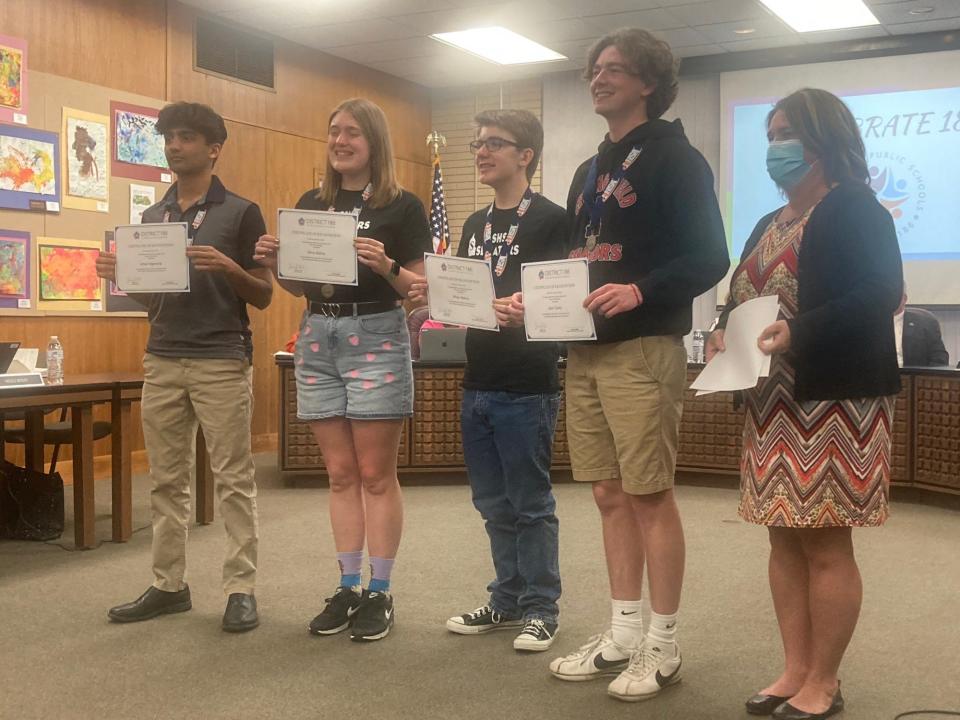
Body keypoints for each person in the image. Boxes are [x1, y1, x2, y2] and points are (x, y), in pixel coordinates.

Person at [707, 88, 902, 719]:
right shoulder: (769, 222)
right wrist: (721, 329)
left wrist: (802, 330)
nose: (773, 147)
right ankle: (794, 670)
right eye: (768, 135)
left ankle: (826, 680)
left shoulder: (855, 208)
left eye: (785, 133)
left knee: (825, 544)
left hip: (837, 403)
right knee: (783, 542)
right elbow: (740, 297)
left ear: (823, 140)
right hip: (772, 404)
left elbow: (882, 293)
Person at [546, 28, 729, 701]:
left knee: (649, 494)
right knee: (605, 492)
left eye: (614, 69)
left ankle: (663, 643)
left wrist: (640, 289)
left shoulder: (677, 160)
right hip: (586, 350)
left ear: (648, 82)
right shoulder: (588, 170)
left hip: (643, 346)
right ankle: (622, 631)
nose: (598, 78)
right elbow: (580, 254)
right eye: (594, 68)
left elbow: (711, 257)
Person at [254, 98, 430, 642]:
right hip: (317, 335)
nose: (340, 140)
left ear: (374, 142)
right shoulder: (313, 203)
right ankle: (348, 584)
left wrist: (388, 265)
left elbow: (420, 293)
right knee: (338, 474)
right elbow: (300, 287)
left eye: (352, 132)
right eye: (333, 131)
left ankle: (380, 591)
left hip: (376, 333)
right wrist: (274, 264)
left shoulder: (402, 207)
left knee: (376, 475)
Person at [97, 101, 273, 632]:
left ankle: (241, 588)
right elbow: (155, 303)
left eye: (187, 137)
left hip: (220, 357)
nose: (175, 146)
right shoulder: (154, 218)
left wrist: (227, 266)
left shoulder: (241, 212)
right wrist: (121, 278)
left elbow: (264, 295)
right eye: (170, 138)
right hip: (163, 357)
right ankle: (168, 584)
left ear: (213, 149)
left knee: (233, 479)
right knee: (166, 480)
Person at [411, 110, 568, 651]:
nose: (481, 152)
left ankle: (541, 608)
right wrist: (430, 296)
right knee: (492, 503)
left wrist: (528, 307)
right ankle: (506, 599)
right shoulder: (476, 223)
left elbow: (564, 299)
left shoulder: (552, 219)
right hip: (477, 379)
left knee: (530, 503)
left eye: (494, 144)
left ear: (525, 155)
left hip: (528, 383)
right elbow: (464, 295)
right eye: (477, 144)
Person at [894, 288, 949, 367]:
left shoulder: (926, 323)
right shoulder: (872, 322)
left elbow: (939, 359)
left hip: (912, 376)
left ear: (904, 298)